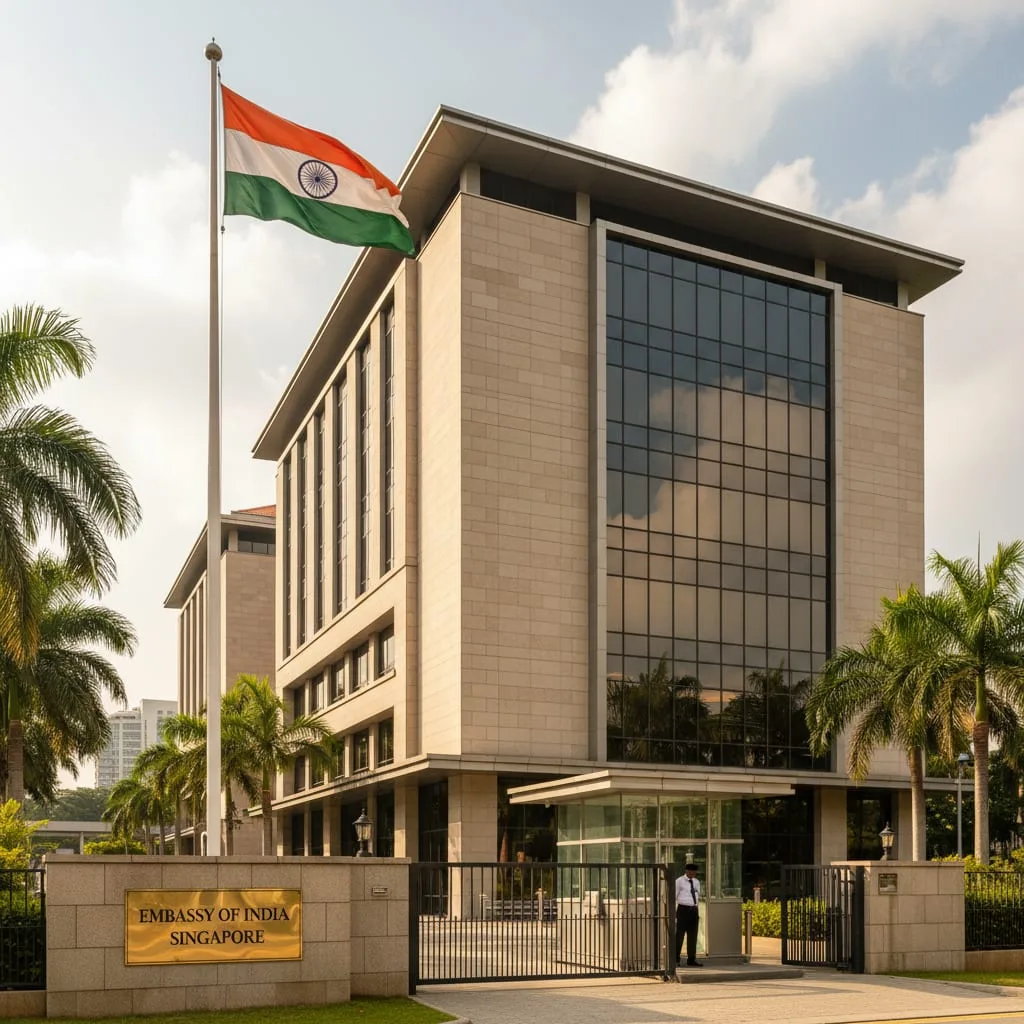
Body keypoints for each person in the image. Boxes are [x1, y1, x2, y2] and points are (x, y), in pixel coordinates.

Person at [674, 862, 702, 967]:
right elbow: (674, 896)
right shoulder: (679, 881)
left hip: (693, 910)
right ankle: (676, 959)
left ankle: (691, 959)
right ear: (686, 871)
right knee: (679, 936)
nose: (692, 873)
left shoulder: (696, 882)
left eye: (694, 872)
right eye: (690, 871)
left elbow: (697, 895)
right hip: (683, 910)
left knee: (693, 936)